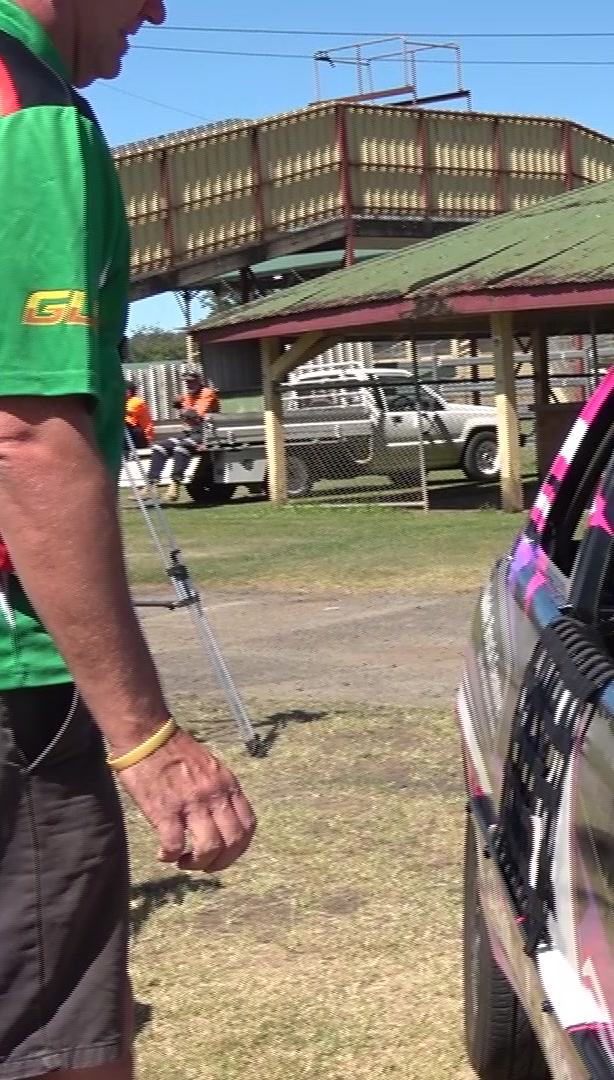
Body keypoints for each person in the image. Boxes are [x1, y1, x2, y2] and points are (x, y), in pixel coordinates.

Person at [0, 3, 257, 1079]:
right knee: (60, 1041)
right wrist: (145, 737)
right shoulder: (28, 111)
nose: (157, 8)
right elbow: (27, 439)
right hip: (16, 689)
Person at [142, 370, 216, 502]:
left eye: (192, 381)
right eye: (187, 381)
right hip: (191, 433)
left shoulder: (207, 393)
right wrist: (181, 406)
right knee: (160, 447)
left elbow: (196, 415)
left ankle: (175, 485)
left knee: (181, 448)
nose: (189, 384)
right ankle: (151, 484)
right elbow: (188, 415)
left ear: (199, 380)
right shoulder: (188, 396)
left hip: (207, 434)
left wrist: (181, 407)